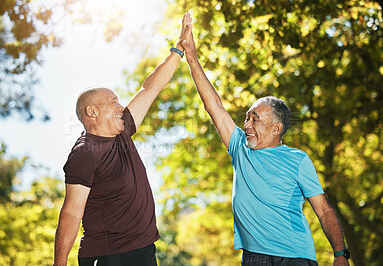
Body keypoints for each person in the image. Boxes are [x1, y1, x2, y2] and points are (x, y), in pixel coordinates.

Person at [181, 20, 350, 266]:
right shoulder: (240, 147)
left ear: (276, 128)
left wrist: (340, 254)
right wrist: (192, 56)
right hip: (253, 257)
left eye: (255, 119)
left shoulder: (298, 160)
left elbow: (323, 210)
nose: (246, 125)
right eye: (246, 118)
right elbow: (213, 105)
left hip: (295, 256)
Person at [53, 13, 193, 266]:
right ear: (92, 112)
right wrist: (60, 262)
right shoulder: (85, 153)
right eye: (113, 102)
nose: (121, 107)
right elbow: (72, 212)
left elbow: (150, 88)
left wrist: (178, 50)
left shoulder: (123, 132)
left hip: (143, 250)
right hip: (109, 256)